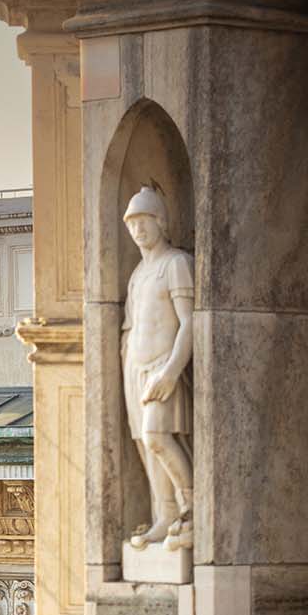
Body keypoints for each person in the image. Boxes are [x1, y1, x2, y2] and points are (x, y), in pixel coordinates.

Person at [120, 185, 195, 552]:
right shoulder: (137, 274)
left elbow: (189, 323)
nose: (138, 229)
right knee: (146, 447)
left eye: (144, 220)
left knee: (157, 437)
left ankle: (192, 507)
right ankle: (166, 517)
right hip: (135, 370)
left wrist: (170, 372)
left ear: (161, 221)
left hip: (164, 368)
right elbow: (131, 327)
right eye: (132, 222)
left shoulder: (176, 264)